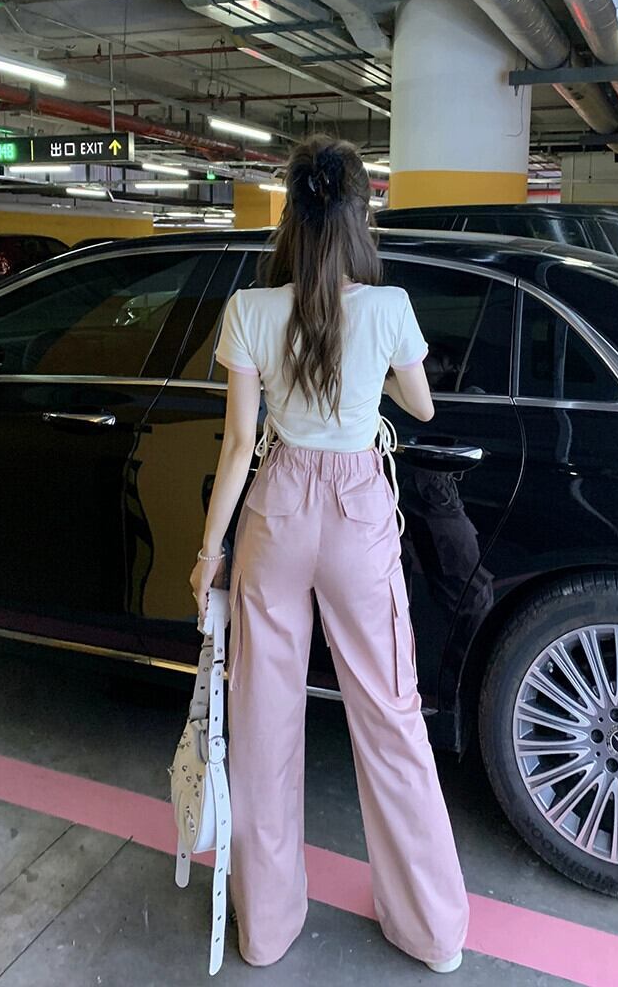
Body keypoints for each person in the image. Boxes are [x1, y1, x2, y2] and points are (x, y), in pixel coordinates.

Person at [189, 135, 469, 974]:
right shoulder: (389, 307)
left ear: (291, 217)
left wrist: (208, 552)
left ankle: (266, 930)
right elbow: (420, 407)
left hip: (274, 511)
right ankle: (431, 932)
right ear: (358, 217)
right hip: (357, 514)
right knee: (390, 718)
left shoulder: (249, 309)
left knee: (262, 722)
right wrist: (366, 375)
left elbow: (238, 443)